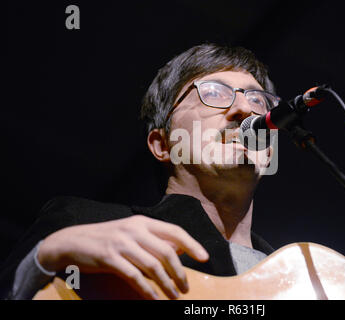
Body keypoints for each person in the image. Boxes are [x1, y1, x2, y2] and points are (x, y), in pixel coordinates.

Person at [0, 43, 280, 300]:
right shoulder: (83, 224)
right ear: (162, 145)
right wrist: (45, 257)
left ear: (268, 152)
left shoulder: (304, 275)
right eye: (213, 93)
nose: (244, 109)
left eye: (257, 100)